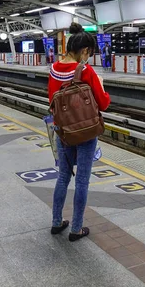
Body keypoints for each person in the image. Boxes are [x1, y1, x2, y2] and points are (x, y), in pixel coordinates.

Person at [48, 23, 111, 241]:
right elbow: (103, 104)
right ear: (84, 51)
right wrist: (101, 87)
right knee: (82, 181)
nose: (88, 59)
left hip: (62, 132)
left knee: (63, 176)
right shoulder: (86, 71)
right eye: (89, 54)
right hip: (85, 132)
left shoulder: (54, 69)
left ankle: (57, 222)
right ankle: (76, 228)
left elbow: (51, 101)